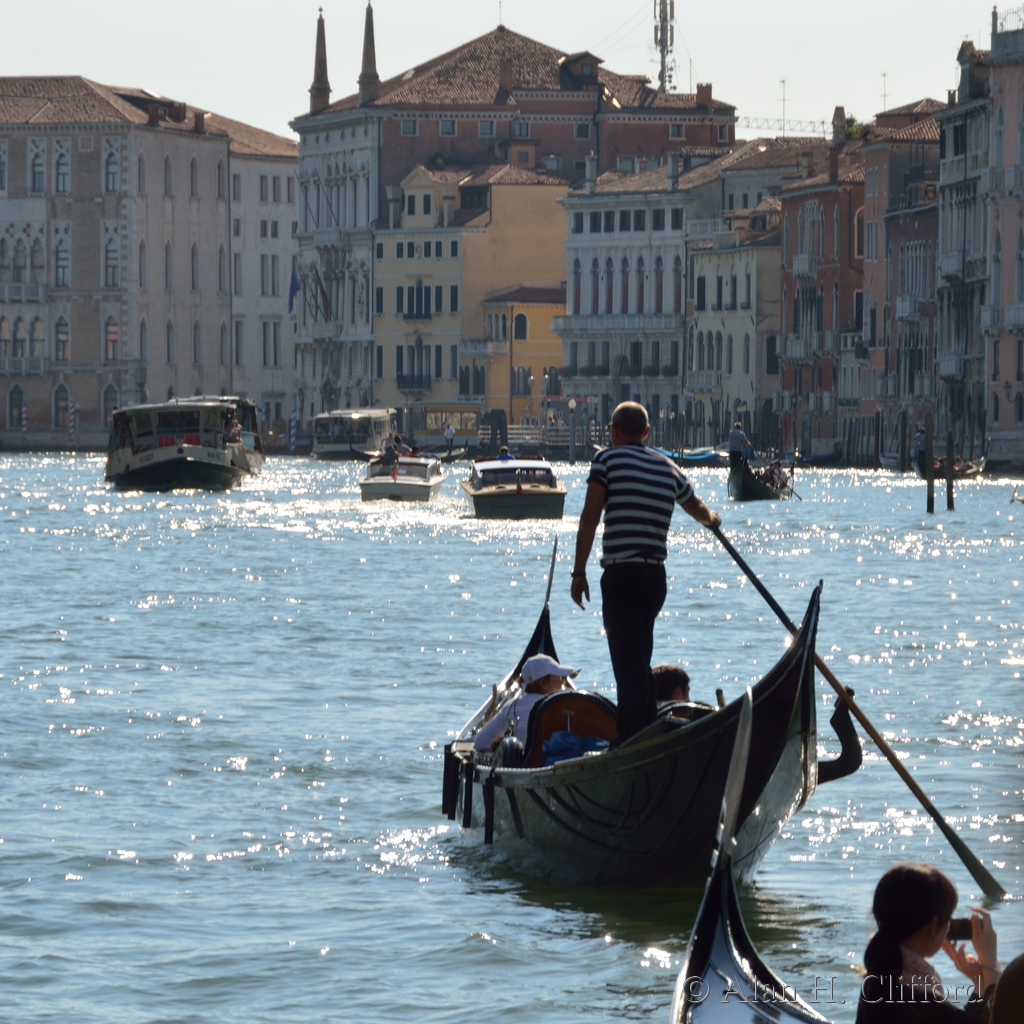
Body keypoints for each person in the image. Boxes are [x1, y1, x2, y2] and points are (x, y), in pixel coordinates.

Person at [571, 402, 721, 741]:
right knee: (639, 656)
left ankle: (631, 738)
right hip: (654, 579)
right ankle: (648, 728)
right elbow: (696, 507)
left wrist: (578, 572)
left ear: (614, 430)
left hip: (621, 575)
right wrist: (712, 520)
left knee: (628, 664)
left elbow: (590, 517)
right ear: (647, 433)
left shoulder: (606, 461)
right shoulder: (669, 467)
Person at [856, 863, 1001, 1022]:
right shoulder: (921, 1002)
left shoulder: (876, 983)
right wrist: (990, 964)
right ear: (933, 926)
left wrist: (979, 981)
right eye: (948, 920)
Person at [473, 654, 577, 752]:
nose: (562, 682)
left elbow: (481, 743)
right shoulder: (563, 706)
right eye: (560, 677)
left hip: (523, 762)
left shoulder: (510, 707)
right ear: (543, 683)